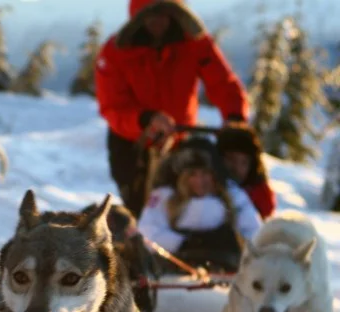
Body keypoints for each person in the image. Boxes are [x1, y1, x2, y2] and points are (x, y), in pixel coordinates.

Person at [96, 0, 249, 218]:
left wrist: (235, 118)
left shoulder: (195, 43)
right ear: (138, 17)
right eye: (150, 15)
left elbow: (222, 83)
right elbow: (112, 107)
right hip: (131, 144)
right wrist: (146, 119)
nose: (157, 21)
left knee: (184, 206)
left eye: (164, 13)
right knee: (140, 209)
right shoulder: (115, 51)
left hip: (178, 140)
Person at [137, 137, 261, 273]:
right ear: (182, 177)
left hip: (226, 271)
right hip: (175, 272)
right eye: (192, 174)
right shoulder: (164, 196)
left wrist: (233, 242)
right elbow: (147, 231)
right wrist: (184, 243)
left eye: (205, 173)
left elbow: (255, 233)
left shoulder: (233, 195)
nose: (199, 180)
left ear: (215, 175)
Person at [217, 121, 277, 219]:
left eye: (244, 162)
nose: (237, 167)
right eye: (231, 159)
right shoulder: (204, 184)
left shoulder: (259, 197)